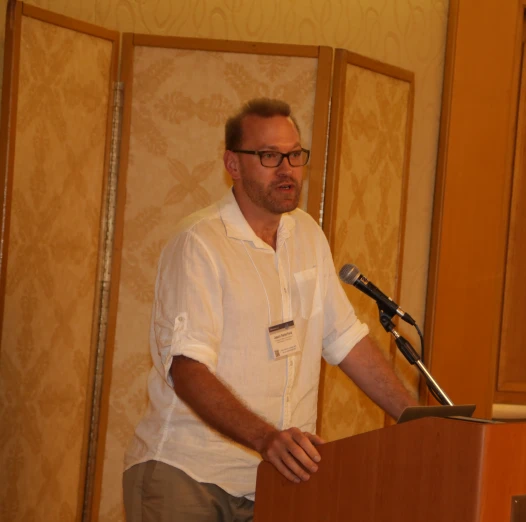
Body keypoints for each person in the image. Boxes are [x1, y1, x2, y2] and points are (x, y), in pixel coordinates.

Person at [122, 98, 417, 522]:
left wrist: (416, 420)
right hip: (188, 476)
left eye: (295, 155)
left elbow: (346, 341)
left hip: (275, 482)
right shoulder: (201, 243)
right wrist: (267, 439)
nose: (287, 169)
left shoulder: (308, 237)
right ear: (232, 164)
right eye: (269, 156)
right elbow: (186, 369)